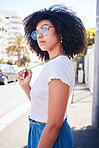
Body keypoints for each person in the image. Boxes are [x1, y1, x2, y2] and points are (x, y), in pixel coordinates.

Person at [17, 4, 87, 148]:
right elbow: (43, 106)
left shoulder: (58, 66)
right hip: (39, 130)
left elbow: (54, 124)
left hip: (49, 135)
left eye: (44, 28)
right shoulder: (54, 63)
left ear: (60, 32)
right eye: (36, 32)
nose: (39, 35)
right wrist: (26, 87)